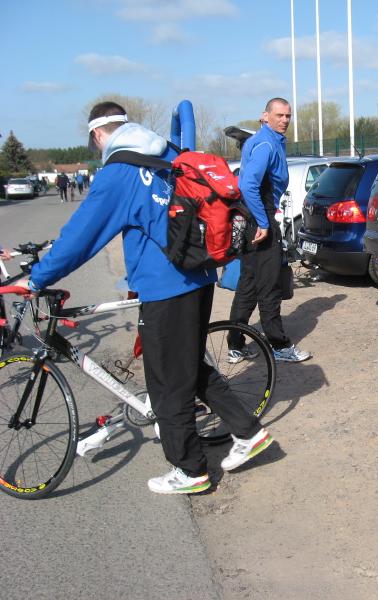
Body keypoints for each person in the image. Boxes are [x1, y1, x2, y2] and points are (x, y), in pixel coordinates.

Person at [18, 101, 275, 494]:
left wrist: (37, 279)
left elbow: (81, 237)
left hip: (166, 286)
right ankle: (248, 432)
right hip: (199, 273)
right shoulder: (165, 152)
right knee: (186, 366)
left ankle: (190, 471)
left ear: (98, 135)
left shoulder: (119, 171)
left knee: (166, 382)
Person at [228, 97, 311, 363]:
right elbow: (248, 185)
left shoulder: (262, 140)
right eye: (279, 115)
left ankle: (235, 345)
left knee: (248, 284)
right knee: (270, 286)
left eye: (288, 116)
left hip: (251, 217)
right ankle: (279, 345)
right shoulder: (266, 143)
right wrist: (264, 223)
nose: (284, 120)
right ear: (265, 116)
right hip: (260, 219)